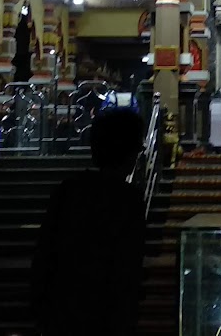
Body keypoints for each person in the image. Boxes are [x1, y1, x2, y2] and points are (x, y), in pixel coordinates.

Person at [30, 108, 145, 336]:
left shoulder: (67, 192)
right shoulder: (127, 200)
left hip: (64, 310)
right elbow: (127, 267)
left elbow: (44, 254)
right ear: (131, 152)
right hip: (104, 314)